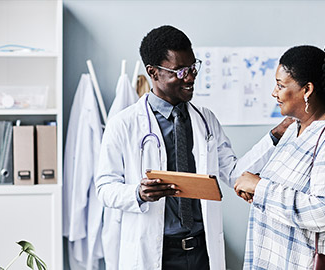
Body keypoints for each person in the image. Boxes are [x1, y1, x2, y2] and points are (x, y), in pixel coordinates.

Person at [95, 25, 292, 270]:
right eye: (179, 71)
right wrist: (137, 193)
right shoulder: (123, 124)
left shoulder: (205, 119)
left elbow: (233, 173)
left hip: (201, 251)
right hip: (156, 252)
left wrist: (275, 135)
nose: (189, 77)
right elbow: (104, 187)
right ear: (153, 72)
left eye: (192, 67)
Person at [234, 45, 325, 269]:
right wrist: (257, 190)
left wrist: (261, 188)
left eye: (280, 85)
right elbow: (294, 188)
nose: (274, 93)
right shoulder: (294, 129)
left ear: (307, 89)